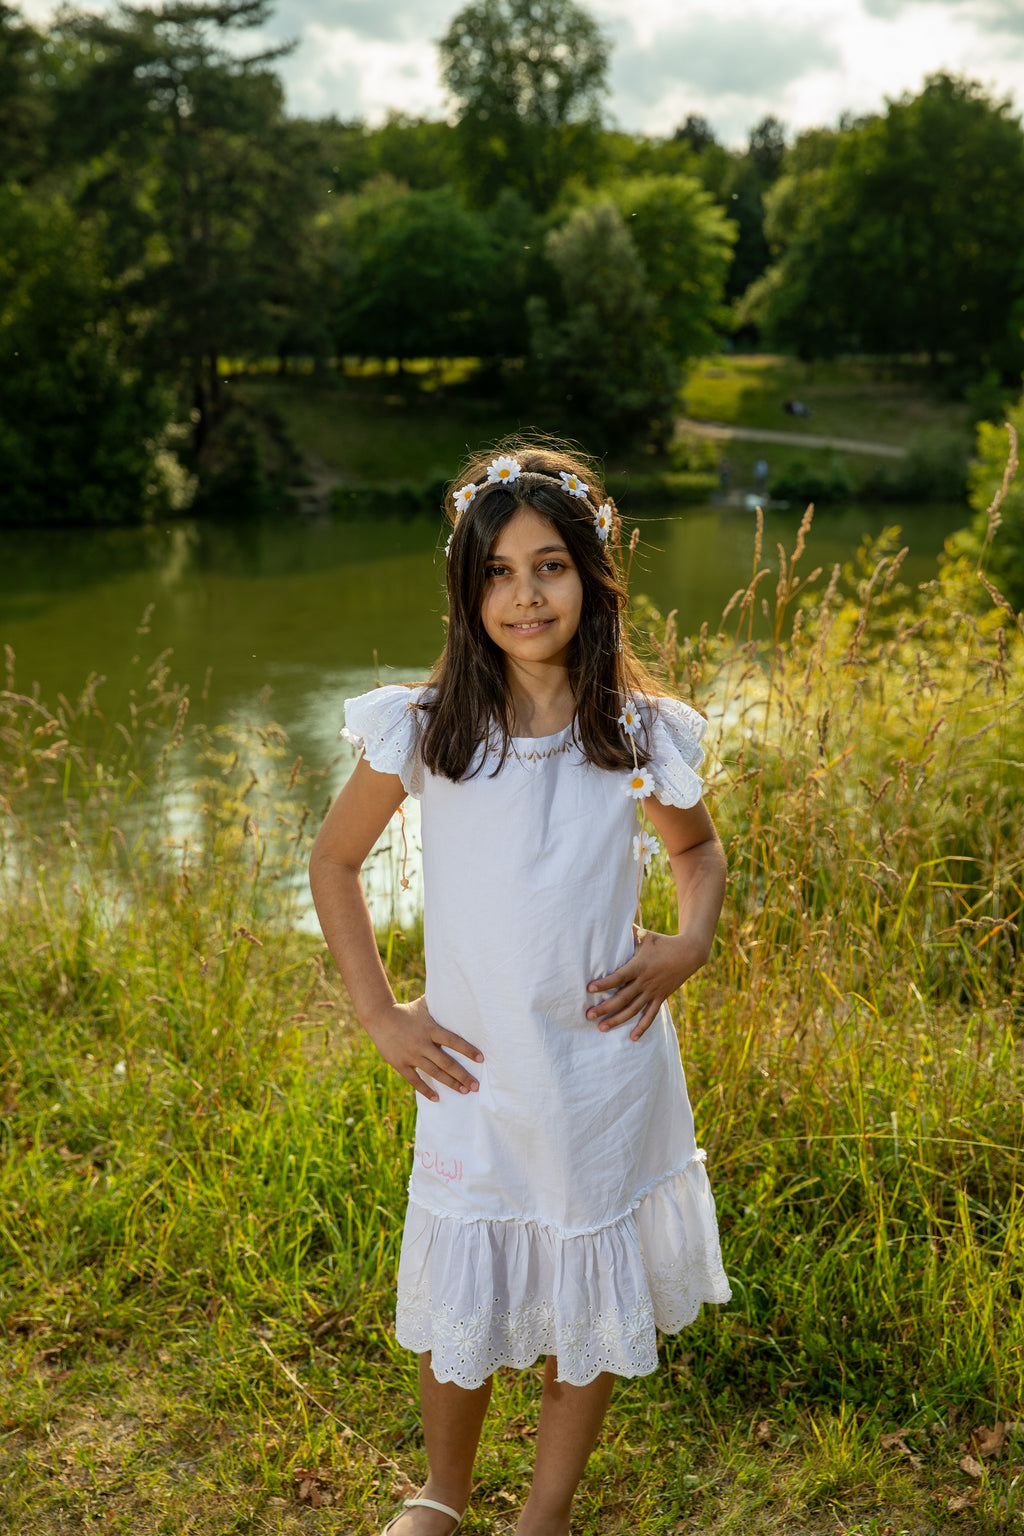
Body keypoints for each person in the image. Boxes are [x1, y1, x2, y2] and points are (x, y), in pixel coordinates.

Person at [308, 438, 731, 1536]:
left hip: (602, 1068)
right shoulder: (425, 727)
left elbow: (697, 851)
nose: (526, 594)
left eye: (550, 566)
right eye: (498, 572)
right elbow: (334, 862)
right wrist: (380, 1012)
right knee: (469, 1278)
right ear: (467, 589)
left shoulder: (634, 730)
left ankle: (543, 1514)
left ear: (592, 577)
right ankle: (441, 1495)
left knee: (582, 1289)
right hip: (475, 1068)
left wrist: (687, 944)